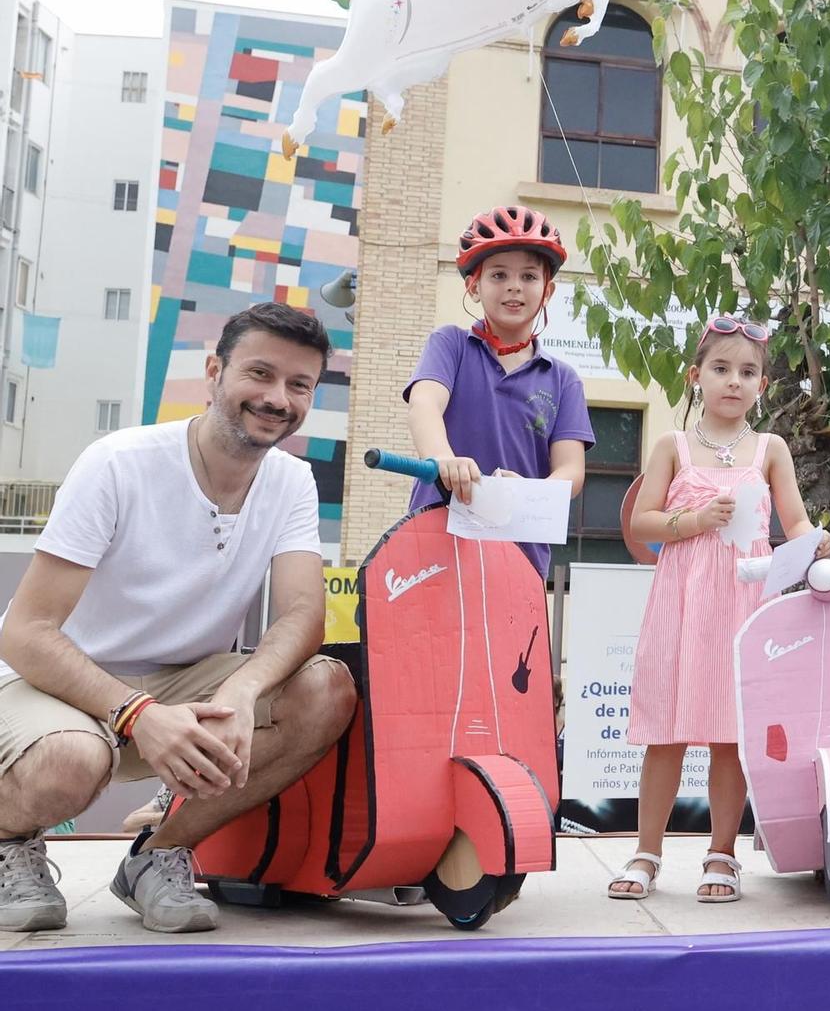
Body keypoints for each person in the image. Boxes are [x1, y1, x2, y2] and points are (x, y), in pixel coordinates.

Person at [0, 304, 357, 933]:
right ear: (214, 371)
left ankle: (159, 853)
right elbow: (26, 633)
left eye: (298, 385)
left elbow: (303, 613)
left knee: (324, 688)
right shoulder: (120, 463)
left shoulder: (292, 482)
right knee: (72, 762)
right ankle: (9, 841)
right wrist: (138, 713)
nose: (278, 398)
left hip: (185, 683)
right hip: (55, 685)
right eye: (260, 374)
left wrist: (244, 691)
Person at [609, 317, 830, 902]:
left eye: (749, 372)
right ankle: (646, 851)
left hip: (745, 601)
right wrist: (695, 521)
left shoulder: (771, 448)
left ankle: (721, 853)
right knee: (667, 732)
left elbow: (795, 520)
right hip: (681, 602)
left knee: (733, 732)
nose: (735, 381)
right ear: (696, 377)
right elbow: (641, 522)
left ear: (762, 384)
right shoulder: (672, 446)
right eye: (722, 368)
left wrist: (816, 541)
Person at [404, 204, 595, 578]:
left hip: (518, 555)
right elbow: (424, 404)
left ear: (548, 290)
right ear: (473, 286)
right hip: (435, 546)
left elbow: (571, 469)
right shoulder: (451, 345)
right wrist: (444, 458)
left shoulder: (563, 379)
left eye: (528, 276)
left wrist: (532, 491)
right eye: (498, 274)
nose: (514, 286)